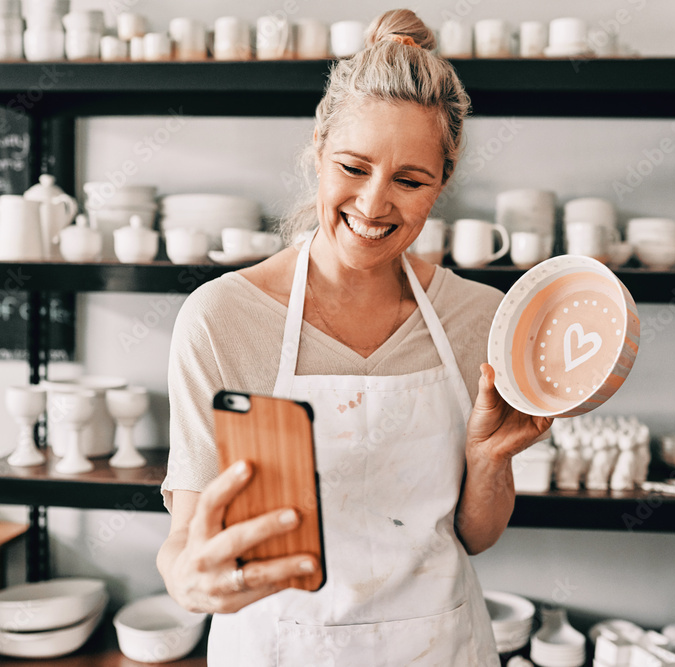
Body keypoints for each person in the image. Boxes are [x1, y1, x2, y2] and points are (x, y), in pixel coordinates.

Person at [158, 9, 552, 664]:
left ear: (442, 184)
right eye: (352, 165)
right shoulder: (222, 319)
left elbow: (476, 535)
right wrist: (186, 578)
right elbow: (185, 540)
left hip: (440, 647)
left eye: (410, 180)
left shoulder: (481, 318)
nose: (373, 205)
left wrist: (487, 458)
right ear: (317, 149)